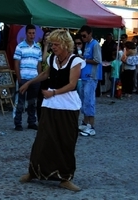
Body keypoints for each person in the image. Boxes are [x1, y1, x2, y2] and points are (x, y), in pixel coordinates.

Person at [18, 29, 85, 191]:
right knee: (43, 139)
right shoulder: (53, 58)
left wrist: (53, 92)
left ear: (64, 44)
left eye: (56, 44)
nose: (53, 47)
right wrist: (28, 83)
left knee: (66, 141)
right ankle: (34, 172)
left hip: (68, 106)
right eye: (52, 44)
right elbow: (45, 75)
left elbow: (72, 84)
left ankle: (65, 177)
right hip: (50, 104)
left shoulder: (75, 61)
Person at [13, 24, 42, 131]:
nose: (31, 35)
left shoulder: (38, 48)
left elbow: (39, 64)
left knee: (32, 102)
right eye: (29, 33)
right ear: (26, 34)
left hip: (34, 79)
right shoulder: (20, 46)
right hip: (23, 78)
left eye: (33, 33)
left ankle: (31, 122)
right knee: (20, 102)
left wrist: (39, 78)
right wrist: (19, 78)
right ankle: (18, 123)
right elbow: (16, 63)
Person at [78, 25, 102, 137]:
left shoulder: (95, 44)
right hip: (84, 76)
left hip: (91, 77)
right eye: (81, 36)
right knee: (84, 100)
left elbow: (97, 60)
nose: (83, 38)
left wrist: (84, 59)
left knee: (89, 101)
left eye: (84, 35)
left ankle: (91, 126)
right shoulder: (87, 44)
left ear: (90, 34)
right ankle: (85, 122)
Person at [36, 30, 52, 121]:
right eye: (46, 35)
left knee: (50, 99)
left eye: (49, 36)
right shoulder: (39, 46)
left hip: (51, 77)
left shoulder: (55, 48)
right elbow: (43, 60)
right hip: (41, 76)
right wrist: (45, 46)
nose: (47, 37)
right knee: (40, 99)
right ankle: (40, 119)